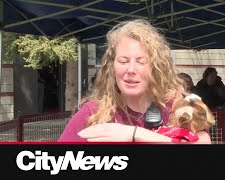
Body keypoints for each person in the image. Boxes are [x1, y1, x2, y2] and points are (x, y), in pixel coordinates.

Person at [58, 19, 212, 143]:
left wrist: (135, 134)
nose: (131, 70)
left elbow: (203, 143)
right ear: (112, 67)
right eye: (123, 61)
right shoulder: (92, 113)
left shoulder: (176, 106)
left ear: (156, 67)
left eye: (141, 61)